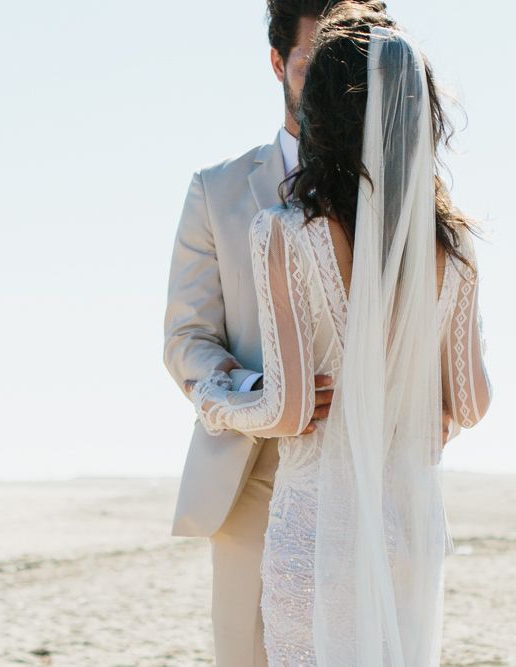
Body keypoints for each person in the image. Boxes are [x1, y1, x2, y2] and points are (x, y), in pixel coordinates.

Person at [183, 4, 492, 664]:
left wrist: (216, 402)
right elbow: (470, 403)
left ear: (322, 110)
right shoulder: (453, 246)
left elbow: (291, 409)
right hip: (407, 529)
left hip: (315, 530)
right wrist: (420, 404)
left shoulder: (284, 232)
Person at [162, 2, 385, 664]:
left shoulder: (395, 195)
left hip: (370, 476)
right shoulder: (216, 191)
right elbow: (186, 339)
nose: (328, 87)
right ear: (276, 63)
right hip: (250, 472)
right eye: (312, 65)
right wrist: (266, 394)